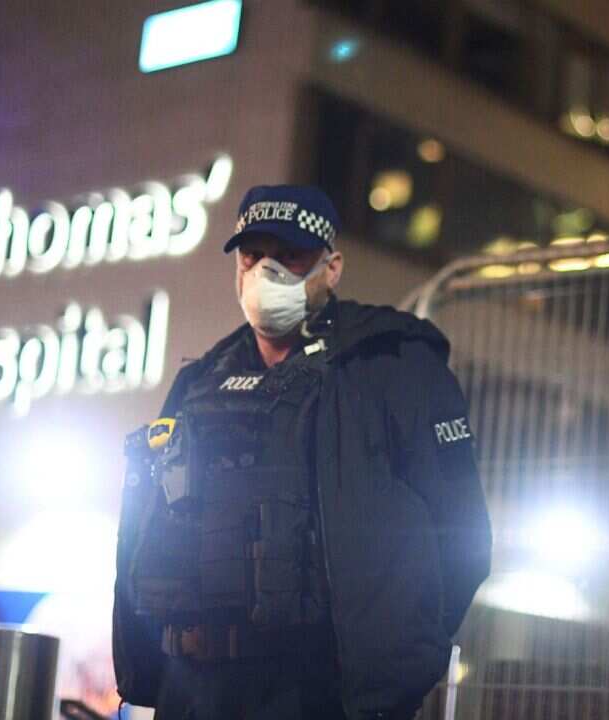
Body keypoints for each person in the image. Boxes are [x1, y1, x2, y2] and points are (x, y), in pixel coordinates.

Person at [113, 185, 493, 720]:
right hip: (195, 688)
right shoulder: (201, 380)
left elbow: (463, 534)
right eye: (252, 255)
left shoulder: (393, 365)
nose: (266, 272)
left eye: (290, 257)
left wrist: (396, 671)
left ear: (331, 269)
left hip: (321, 693)